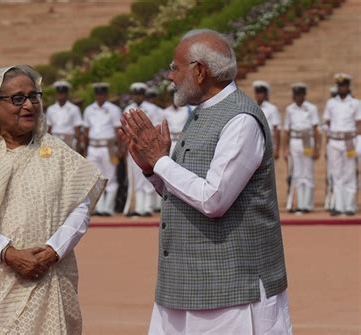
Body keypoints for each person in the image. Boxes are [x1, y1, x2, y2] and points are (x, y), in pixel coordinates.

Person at [120, 29, 291, 334]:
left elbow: (213, 199)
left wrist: (161, 161)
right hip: (184, 281)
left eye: (175, 67)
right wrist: (151, 170)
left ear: (199, 72)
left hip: (231, 288)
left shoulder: (241, 120)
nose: (170, 77)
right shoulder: (201, 114)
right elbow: (187, 192)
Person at [0, 65, 106, 334]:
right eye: (17, 98)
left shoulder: (56, 150)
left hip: (50, 275)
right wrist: (7, 253)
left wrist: (53, 250)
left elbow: (81, 205)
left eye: (34, 96)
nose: (29, 105)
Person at [323, 73, 361, 216]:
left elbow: (359, 124)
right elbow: (327, 122)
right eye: (339, 86)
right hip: (334, 140)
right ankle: (339, 206)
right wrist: (326, 143)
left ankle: (350, 206)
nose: (342, 88)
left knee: (350, 173)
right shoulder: (331, 103)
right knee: (336, 174)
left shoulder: (356, 103)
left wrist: (356, 142)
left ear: (348, 87)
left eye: (344, 85)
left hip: (349, 141)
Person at [123, 82, 162, 217]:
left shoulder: (153, 109)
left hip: (148, 146)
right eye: (135, 94)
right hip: (134, 146)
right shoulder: (128, 108)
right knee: (136, 179)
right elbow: (124, 129)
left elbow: (157, 127)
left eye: (140, 94)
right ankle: (139, 207)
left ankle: (147, 207)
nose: (137, 97)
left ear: (143, 95)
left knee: (149, 176)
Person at [83, 82, 121, 216]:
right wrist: (85, 149)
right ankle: (98, 207)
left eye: (102, 94)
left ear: (106, 95)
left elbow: (118, 131)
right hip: (93, 147)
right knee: (95, 179)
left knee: (110, 178)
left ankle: (108, 208)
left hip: (108, 147)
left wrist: (120, 149)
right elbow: (86, 131)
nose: (100, 97)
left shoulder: (113, 109)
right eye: (98, 94)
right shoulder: (89, 110)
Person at [283, 83, 320, 213]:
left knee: (308, 173)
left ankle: (308, 204)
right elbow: (286, 130)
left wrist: (317, 147)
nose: (298, 97)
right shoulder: (290, 109)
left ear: (304, 95)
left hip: (307, 141)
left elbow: (316, 129)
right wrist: (285, 149)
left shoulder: (311, 108)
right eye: (296, 95)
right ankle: (300, 203)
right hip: (294, 141)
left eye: (300, 95)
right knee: (297, 173)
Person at [46, 80, 83, 151]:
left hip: (69, 141)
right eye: (59, 93)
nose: (60, 95)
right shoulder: (51, 109)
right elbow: (49, 129)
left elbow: (77, 130)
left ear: (67, 94)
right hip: (55, 141)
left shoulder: (74, 109)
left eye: (63, 93)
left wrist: (78, 148)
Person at [253, 80, 281, 160]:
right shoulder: (252, 107)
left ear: (265, 94)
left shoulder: (272, 109)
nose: (259, 95)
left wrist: (277, 148)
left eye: (261, 92)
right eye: (257, 92)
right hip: (254, 142)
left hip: (268, 142)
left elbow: (276, 129)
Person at [163, 83, 191, 156]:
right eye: (172, 94)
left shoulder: (188, 109)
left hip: (184, 143)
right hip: (170, 143)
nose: (174, 97)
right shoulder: (165, 112)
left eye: (176, 93)